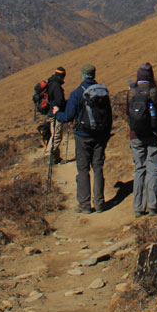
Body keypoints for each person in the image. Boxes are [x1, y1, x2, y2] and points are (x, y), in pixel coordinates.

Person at [53, 64, 112, 214]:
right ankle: (99, 203)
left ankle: (85, 205)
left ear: (83, 75)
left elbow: (68, 116)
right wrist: (106, 136)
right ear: (94, 75)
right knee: (98, 168)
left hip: (83, 136)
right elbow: (109, 117)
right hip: (100, 137)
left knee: (83, 169)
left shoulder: (77, 93)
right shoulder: (102, 92)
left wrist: (57, 113)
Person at [127, 62, 157, 217]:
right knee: (153, 168)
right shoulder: (155, 93)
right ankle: (153, 205)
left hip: (136, 136)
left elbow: (128, 113)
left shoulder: (131, 93)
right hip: (155, 136)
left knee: (139, 169)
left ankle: (138, 207)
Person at [45, 66, 66, 164]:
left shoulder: (50, 83)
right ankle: (48, 156)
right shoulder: (56, 86)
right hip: (55, 114)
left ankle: (55, 158)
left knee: (54, 133)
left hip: (50, 112)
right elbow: (59, 101)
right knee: (57, 135)